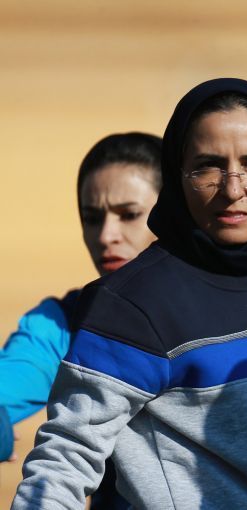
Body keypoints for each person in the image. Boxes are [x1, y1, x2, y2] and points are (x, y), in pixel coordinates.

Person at [12, 78, 247, 510]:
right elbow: (61, 467)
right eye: (208, 166)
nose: (233, 188)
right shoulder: (130, 306)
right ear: (178, 177)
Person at [0, 132, 162, 508]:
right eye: (92, 218)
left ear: (173, 217)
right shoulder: (66, 323)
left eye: (129, 215)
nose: (106, 235)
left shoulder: (245, 310)